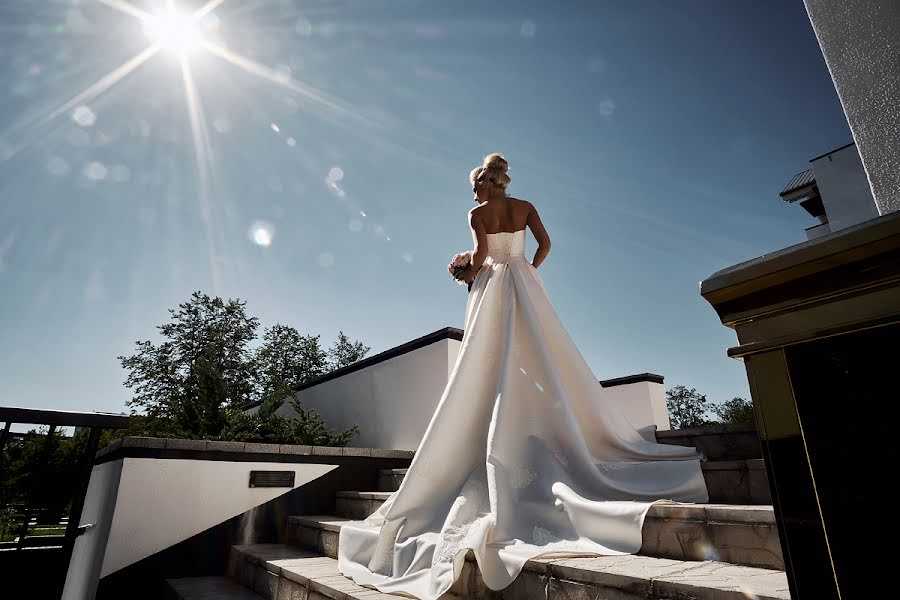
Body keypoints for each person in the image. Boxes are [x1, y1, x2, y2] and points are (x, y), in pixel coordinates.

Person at [338, 153, 708, 600]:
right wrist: (529, 269)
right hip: (525, 281)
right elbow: (546, 244)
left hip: (492, 284)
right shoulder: (526, 206)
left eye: (475, 186)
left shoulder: (478, 214)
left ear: (486, 184)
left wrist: (466, 274)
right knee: (543, 350)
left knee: (488, 354)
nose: (473, 194)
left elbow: (479, 254)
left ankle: (500, 419)